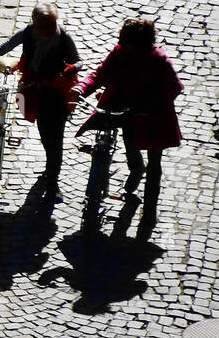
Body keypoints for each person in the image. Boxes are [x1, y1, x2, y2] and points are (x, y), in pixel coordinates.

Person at [70, 17, 183, 226]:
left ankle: (150, 209)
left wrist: (150, 105)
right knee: (131, 146)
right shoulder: (119, 54)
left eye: (125, 41)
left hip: (153, 119)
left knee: (155, 164)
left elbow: (175, 88)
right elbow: (99, 74)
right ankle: (136, 170)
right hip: (127, 114)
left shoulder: (159, 61)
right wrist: (82, 87)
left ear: (139, 44)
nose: (120, 45)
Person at [0, 2, 80, 202]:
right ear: (35, 23)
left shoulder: (63, 38)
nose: (50, 30)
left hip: (55, 95)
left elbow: (79, 61)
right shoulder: (28, 33)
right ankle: (51, 168)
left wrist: (71, 68)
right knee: (46, 137)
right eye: (46, 26)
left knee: (54, 140)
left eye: (52, 25)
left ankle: (53, 183)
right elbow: (5, 47)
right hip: (32, 89)